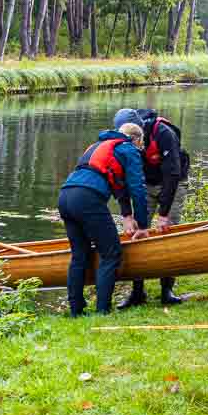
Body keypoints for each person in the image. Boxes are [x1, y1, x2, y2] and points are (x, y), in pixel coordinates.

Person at [58, 118, 148, 316]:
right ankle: (102, 311)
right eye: (141, 144)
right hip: (87, 199)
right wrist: (142, 225)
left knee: (79, 255)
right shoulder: (128, 149)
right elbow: (137, 189)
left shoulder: (98, 145)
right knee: (111, 253)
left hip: (65, 195)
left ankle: (76, 311)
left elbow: (118, 185)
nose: (141, 148)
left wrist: (127, 215)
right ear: (136, 139)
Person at [116, 106, 190, 308]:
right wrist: (127, 214)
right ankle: (138, 292)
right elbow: (121, 179)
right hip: (146, 184)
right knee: (137, 234)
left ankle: (167, 290)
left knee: (168, 234)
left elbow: (173, 173)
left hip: (173, 182)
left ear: (140, 128)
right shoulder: (119, 140)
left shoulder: (163, 133)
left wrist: (164, 213)